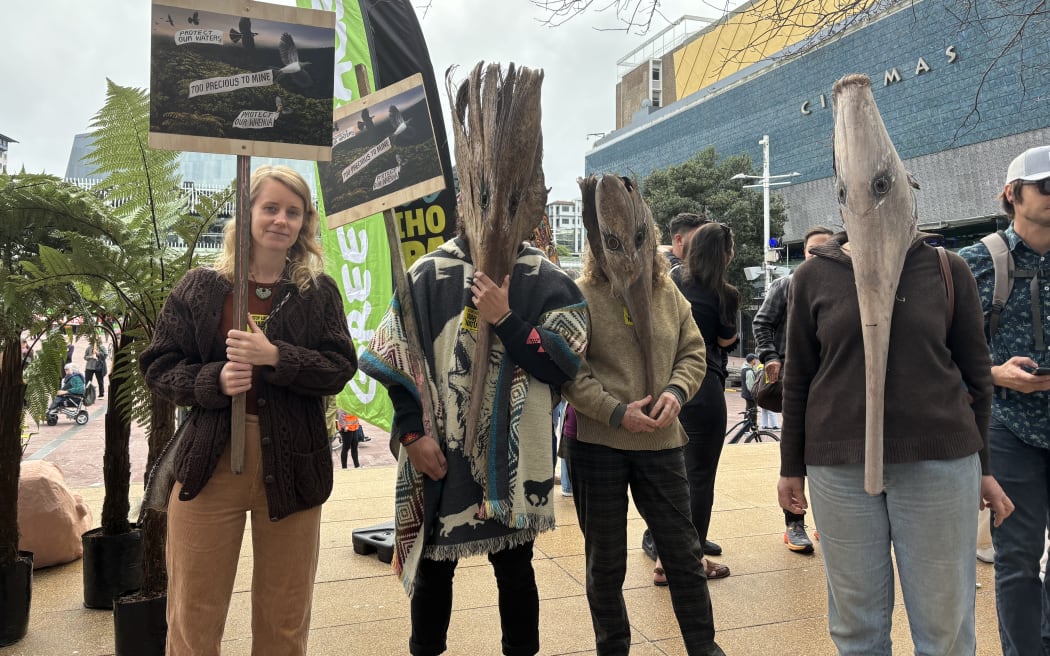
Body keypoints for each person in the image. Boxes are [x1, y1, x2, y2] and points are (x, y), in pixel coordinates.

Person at [359, 61, 589, 656]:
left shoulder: (545, 277)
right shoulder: (427, 274)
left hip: (512, 462)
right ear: (463, 196)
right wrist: (412, 435)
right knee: (435, 574)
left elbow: (562, 361)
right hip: (441, 451)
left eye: (508, 194)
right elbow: (397, 361)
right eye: (480, 192)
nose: (492, 206)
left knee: (516, 573)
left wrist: (506, 319)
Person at [139, 165, 358, 656]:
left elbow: (341, 366)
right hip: (209, 466)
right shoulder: (201, 287)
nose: (281, 220)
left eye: (293, 212)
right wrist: (211, 379)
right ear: (249, 213)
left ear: (305, 223)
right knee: (193, 614)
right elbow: (158, 363)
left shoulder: (316, 293)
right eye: (270, 208)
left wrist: (277, 357)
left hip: (293, 466)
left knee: (284, 617)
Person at [780, 230, 1014, 654]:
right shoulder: (813, 275)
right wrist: (790, 467)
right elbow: (798, 376)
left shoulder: (945, 267)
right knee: (856, 626)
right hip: (838, 464)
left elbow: (978, 376)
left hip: (940, 461)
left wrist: (985, 468)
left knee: (945, 625)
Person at [565, 174, 724, 656]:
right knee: (606, 565)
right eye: (615, 241)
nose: (630, 251)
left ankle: (704, 647)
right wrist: (615, 411)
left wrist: (677, 392)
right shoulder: (581, 294)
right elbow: (570, 371)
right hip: (599, 445)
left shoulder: (667, 292)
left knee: (683, 553)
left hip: (662, 442)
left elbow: (693, 351)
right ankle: (613, 648)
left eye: (637, 237)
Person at [959, 145, 1050, 656]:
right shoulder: (973, 263)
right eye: (1047, 185)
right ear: (1012, 194)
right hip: (1009, 426)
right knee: (1016, 556)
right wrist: (994, 374)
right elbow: (932, 351)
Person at [652, 221, 739, 585]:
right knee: (699, 478)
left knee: (668, 477)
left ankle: (662, 557)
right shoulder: (724, 293)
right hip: (703, 389)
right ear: (724, 254)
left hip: (666, 388)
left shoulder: (668, 281)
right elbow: (725, 341)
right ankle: (691, 559)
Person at [752, 226, 832, 553]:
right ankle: (794, 524)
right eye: (812, 250)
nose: (818, 255)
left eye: (826, 250)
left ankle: (829, 522)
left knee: (830, 453)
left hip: (831, 382)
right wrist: (771, 357)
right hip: (796, 381)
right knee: (795, 447)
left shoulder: (843, 287)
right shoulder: (788, 284)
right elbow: (761, 323)